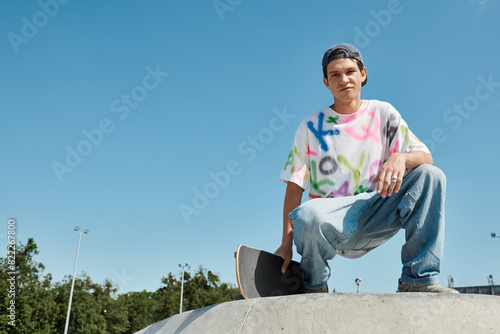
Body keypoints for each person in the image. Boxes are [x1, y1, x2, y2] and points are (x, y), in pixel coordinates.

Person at [275, 43, 457, 293]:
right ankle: (313, 286)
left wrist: (402, 158)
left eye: (350, 71)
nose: (344, 79)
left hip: (378, 211)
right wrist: (285, 244)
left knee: (431, 175)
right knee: (307, 214)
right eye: (335, 75)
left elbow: (426, 157)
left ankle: (418, 280)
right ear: (326, 83)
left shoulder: (383, 113)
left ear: (363, 74)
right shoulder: (310, 127)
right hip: (333, 222)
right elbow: (294, 189)